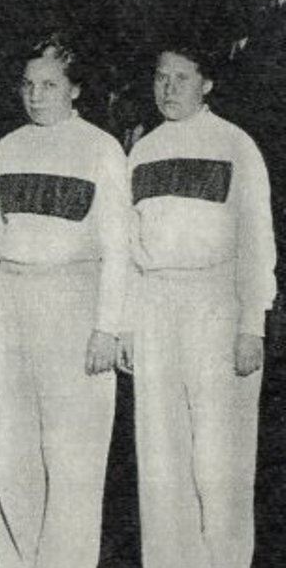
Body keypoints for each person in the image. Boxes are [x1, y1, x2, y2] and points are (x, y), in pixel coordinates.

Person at [0, 38, 127, 568]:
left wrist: (108, 326)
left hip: (73, 301)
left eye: (50, 85)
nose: (36, 96)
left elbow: (118, 245)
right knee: (11, 446)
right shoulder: (9, 146)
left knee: (72, 453)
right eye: (28, 85)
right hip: (10, 301)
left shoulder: (101, 148)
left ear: (76, 89)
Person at [122, 45, 273, 568]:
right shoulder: (141, 151)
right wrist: (126, 325)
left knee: (219, 454)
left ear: (206, 84)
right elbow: (126, 247)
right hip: (153, 306)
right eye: (160, 77)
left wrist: (251, 323)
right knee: (161, 452)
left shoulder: (236, 144)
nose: (167, 88)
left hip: (216, 304)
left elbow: (257, 240)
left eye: (180, 78)